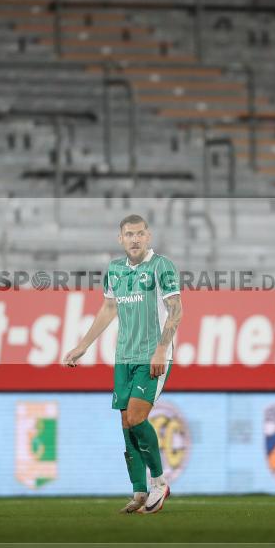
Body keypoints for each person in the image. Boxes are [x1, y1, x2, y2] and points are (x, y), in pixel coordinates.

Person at [63, 214, 183, 514]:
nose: (135, 239)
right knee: (125, 423)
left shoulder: (162, 266)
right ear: (120, 238)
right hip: (124, 357)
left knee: (136, 417)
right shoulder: (115, 270)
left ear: (149, 236)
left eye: (140, 234)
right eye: (129, 234)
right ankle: (139, 491)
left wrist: (161, 349)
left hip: (153, 355)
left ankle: (159, 482)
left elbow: (176, 310)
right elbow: (108, 308)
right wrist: (82, 346)